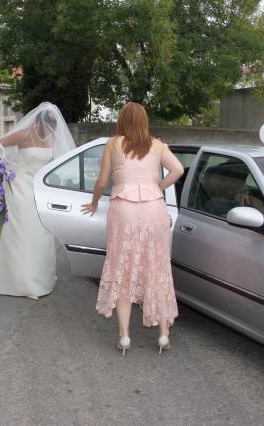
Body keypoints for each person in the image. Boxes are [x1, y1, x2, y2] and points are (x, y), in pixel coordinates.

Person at [82, 102, 184, 355]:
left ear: (122, 120)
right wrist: (157, 188)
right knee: (157, 268)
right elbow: (178, 169)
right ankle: (163, 335)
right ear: (144, 121)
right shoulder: (157, 145)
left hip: (123, 209)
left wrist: (94, 202)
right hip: (154, 209)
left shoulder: (113, 144)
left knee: (123, 268)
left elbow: (102, 181)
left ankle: (125, 336)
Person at [0, 102, 76, 298]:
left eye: (52, 127)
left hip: (39, 190)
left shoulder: (50, 139)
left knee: (40, 231)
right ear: (38, 122)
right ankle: (16, 278)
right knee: (21, 230)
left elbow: (54, 164)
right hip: (19, 188)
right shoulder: (24, 134)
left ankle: (37, 276)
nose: (49, 130)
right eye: (47, 126)